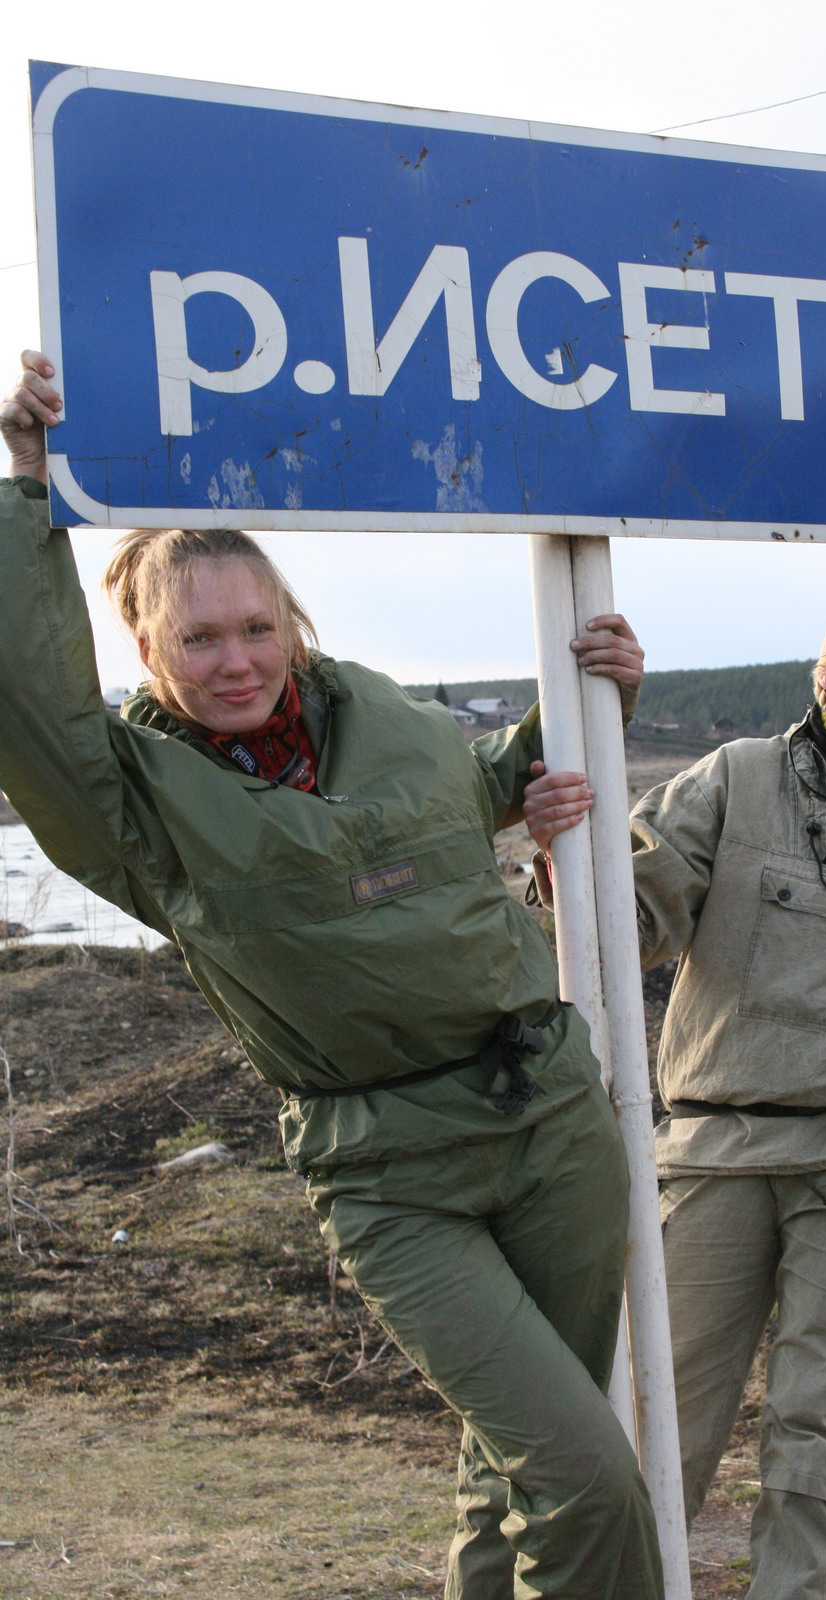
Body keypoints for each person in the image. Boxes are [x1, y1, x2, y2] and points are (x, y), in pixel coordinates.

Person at [0, 350, 664, 1600]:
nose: (235, 660)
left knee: (513, 1465)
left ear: (292, 623)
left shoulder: (381, 715)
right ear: (145, 645)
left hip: (550, 1118)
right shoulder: (134, 806)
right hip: (386, 1172)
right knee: (584, 1479)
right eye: (198, 637)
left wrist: (588, 702)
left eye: (256, 627)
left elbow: (476, 788)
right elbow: (26, 699)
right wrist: (27, 482)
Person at [524, 578, 826, 1600]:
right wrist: (561, 861)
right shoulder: (735, 777)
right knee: (657, 1426)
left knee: (822, 1441)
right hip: (716, 1150)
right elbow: (631, 919)